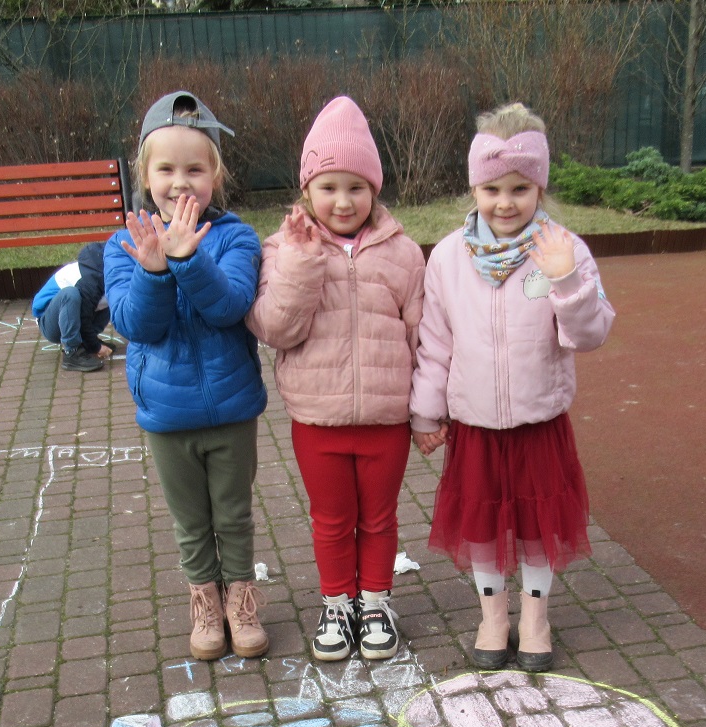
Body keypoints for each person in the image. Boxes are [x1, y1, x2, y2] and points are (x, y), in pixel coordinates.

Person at [411, 103, 615, 673]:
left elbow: (591, 333)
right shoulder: (449, 257)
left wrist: (565, 280)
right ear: (474, 188)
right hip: (474, 424)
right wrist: (425, 413)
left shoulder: (562, 250)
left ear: (540, 186)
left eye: (520, 188)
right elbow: (435, 341)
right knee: (481, 524)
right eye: (492, 189)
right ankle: (492, 617)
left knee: (536, 528)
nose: (505, 202)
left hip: (538, 422)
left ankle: (535, 619)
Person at [247, 96, 425, 662]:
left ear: (374, 188)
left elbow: (422, 335)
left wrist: (428, 410)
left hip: (386, 419)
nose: (343, 201)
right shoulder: (283, 249)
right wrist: (302, 262)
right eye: (328, 187)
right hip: (317, 419)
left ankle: (374, 603)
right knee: (330, 519)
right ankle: (336, 603)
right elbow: (275, 328)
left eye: (356, 187)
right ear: (307, 189)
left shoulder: (403, 254)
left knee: (379, 518)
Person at [104, 90, 270, 661]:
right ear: (144, 176)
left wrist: (187, 259)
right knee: (192, 521)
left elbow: (229, 306)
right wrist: (154, 270)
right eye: (166, 170)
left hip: (231, 408)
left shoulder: (236, 236)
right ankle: (205, 603)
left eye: (195, 169)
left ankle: (240, 601)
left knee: (233, 514)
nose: (181, 183)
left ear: (215, 175)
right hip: (167, 414)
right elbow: (135, 325)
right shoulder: (126, 244)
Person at [32, 241, 115, 372]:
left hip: (73, 314)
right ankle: (72, 352)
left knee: (114, 297)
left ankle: (85, 343)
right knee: (70, 294)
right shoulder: (91, 280)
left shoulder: (108, 271)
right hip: (50, 323)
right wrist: (95, 347)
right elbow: (83, 315)